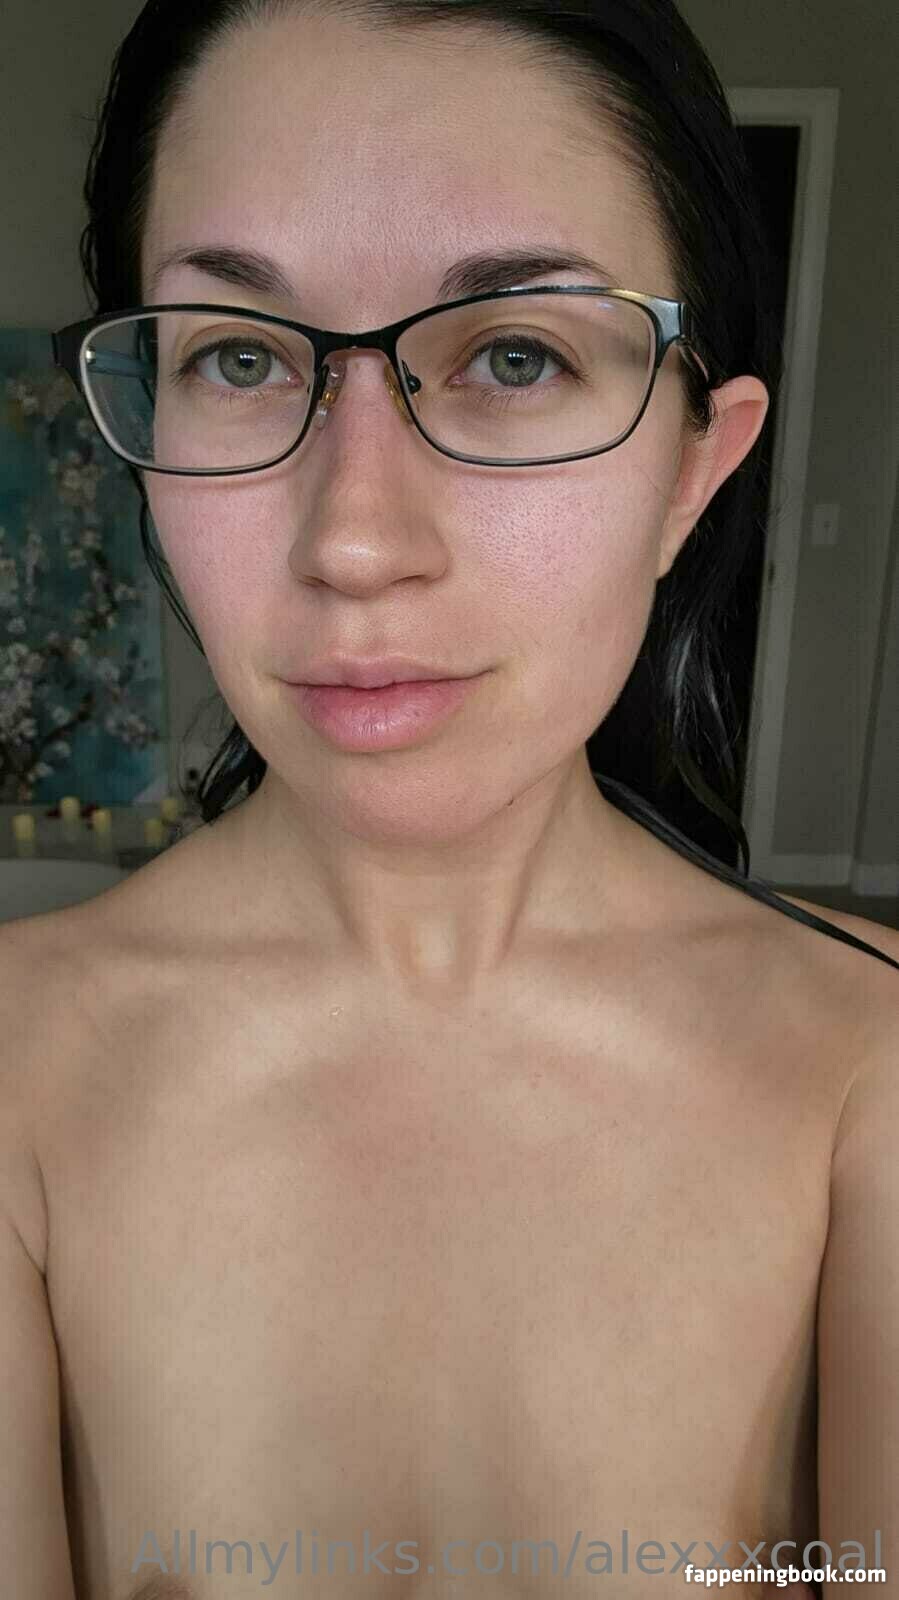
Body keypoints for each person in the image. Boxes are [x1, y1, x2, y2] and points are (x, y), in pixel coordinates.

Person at [2, 1, 896, 1597]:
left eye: (514, 356)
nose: (354, 540)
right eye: (238, 358)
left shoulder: (871, 1073)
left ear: (696, 470)